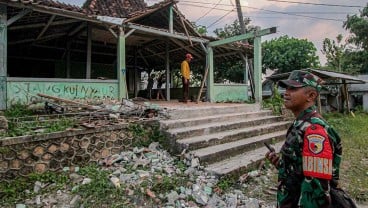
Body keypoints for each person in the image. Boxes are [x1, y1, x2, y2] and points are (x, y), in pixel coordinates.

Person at [265, 70, 343, 208]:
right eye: (287, 87)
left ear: (311, 95)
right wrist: (282, 164)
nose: (286, 92)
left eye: (293, 88)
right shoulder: (300, 124)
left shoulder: (315, 132)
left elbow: (316, 191)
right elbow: (300, 169)